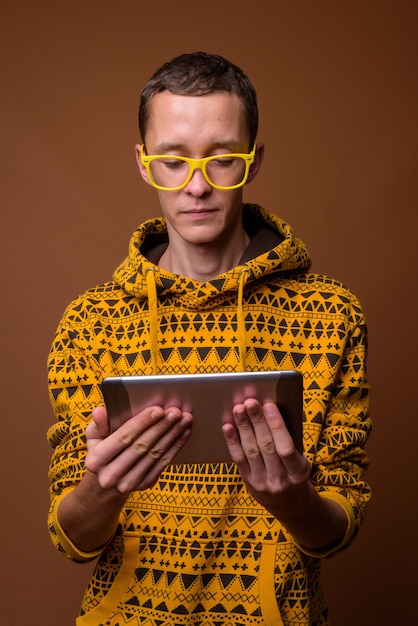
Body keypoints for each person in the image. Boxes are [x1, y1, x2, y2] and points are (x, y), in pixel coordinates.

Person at [47, 51, 372, 626]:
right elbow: (72, 538)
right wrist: (104, 487)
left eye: (222, 159)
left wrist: (294, 502)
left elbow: (339, 524)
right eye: (173, 161)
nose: (196, 185)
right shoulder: (89, 322)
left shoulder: (333, 314)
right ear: (144, 163)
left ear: (255, 159)